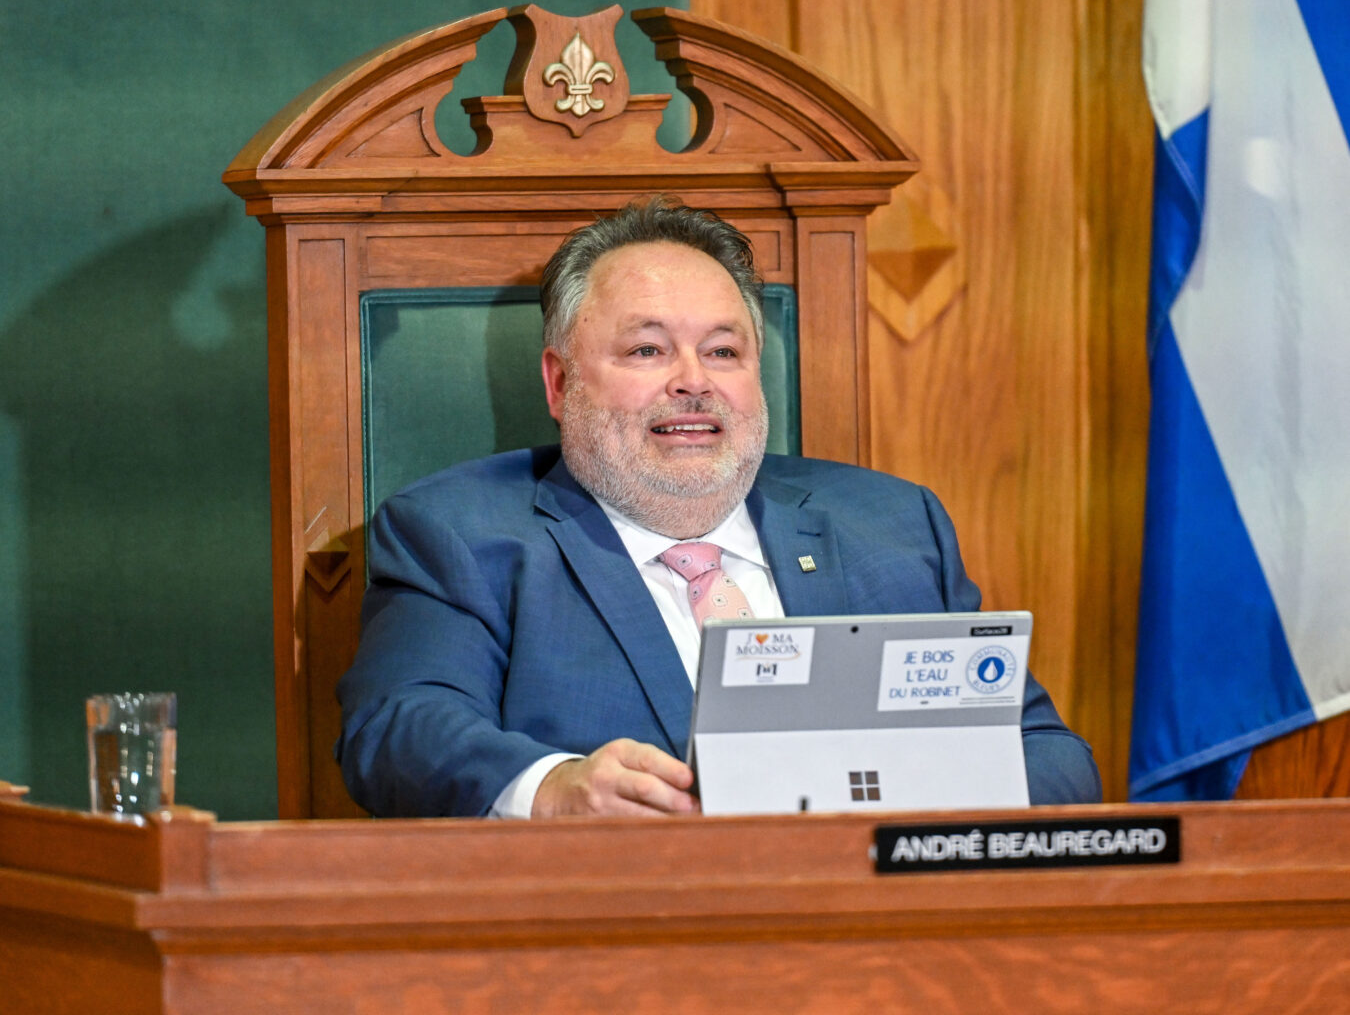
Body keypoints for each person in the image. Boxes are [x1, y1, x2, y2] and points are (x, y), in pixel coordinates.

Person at [336, 198, 1101, 818]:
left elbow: (1051, 756)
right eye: (648, 350)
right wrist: (555, 789)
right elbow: (398, 731)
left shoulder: (896, 529)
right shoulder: (462, 535)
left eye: (725, 351)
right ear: (561, 384)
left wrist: (903, 799)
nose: (693, 381)